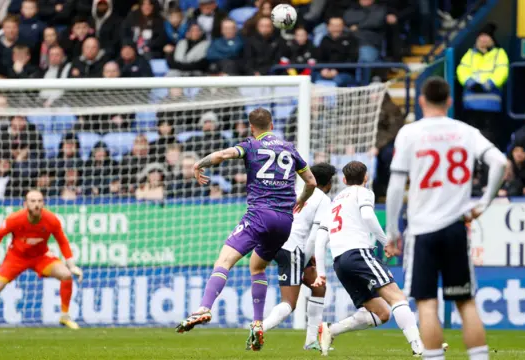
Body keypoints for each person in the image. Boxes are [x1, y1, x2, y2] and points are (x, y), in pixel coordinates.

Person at [385, 77, 507, 360]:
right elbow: (500, 162)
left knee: (427, 303)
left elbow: (395, 185)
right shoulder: (466, 131)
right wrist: (485, 201)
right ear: (450, 101)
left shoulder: (409, 132)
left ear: (422, 101)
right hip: (455, 227)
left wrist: (392, 228)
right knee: (466, 302)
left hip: (422, 230)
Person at [176, 108, 317, 352]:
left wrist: (200, 163)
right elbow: (312, 182)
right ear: (271, 124)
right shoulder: (290, 148)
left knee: (224, 261)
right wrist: (301, 200)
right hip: (284, 221)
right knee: (258, 266)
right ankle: (257, 323)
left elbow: (222, 155)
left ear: (252, 127)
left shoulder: (250, 145)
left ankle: (204, 308)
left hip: (259, 215)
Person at [313, 160, 425, 356]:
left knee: (382, 313)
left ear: (344, 179)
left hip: (340, 262)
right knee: (397, 297)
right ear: (366, 177)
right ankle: (420, 347)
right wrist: (386, 242)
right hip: (358, 254)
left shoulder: (334, 201)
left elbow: (320, 239)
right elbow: (367, 216)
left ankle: (331, 330)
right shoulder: (363, 192)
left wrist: (321, 273)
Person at [0, 190, 83, 330]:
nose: (36, 205)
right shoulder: (15, 219)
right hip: (16, 258)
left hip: (41, 257)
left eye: (39, 201)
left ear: (43, 203)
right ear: (25, 204)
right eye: (33, 201)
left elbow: (63, 241)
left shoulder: (51, 220)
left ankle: (65, 316)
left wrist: (71, 266)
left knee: (66, 275)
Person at [261, 162, 335, 350]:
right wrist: (304, 260)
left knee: (318, 286)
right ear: (328, 183)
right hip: (293, 247)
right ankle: (260, 328)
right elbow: (314, 237)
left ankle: (311, 341)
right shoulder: (323, 199)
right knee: (289, 303)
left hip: (276, 242)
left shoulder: (295, 190)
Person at [456, 23, 509, 148]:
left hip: (491, 106)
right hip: (470, 106)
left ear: (492, 39)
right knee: (471, 136)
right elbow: (461, 70)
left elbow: (502, 72)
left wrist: (487, 85)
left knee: (490, 137)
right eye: (481, 37)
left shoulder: (499, 53)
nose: (483, 40)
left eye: (486, 37)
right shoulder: (470, 54)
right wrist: (471, 83)